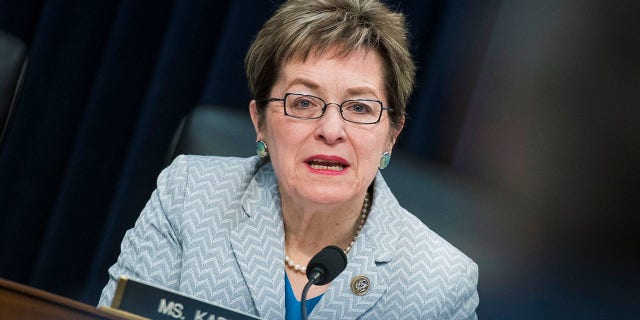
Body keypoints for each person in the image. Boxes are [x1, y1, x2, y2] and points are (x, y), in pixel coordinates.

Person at [98, 0, 479, 318]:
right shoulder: (189, 196)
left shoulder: (440, 283)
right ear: (259, 121)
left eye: (360, 108)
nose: (331, 129)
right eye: (303, 102)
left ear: (392, 135)